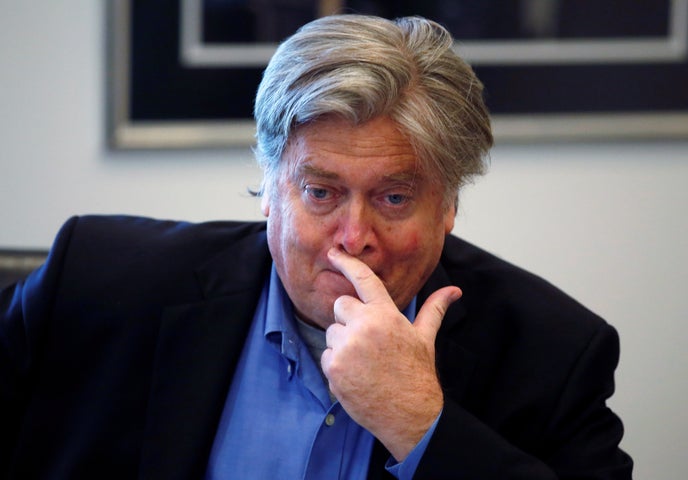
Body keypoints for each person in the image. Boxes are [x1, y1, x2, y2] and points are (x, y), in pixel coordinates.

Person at [0, 14, 632, 480]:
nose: (354, 238)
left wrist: (423, 426)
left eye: (393, 198)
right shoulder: (98, 279)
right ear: (271, 191)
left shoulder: (553, 353)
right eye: (322, 192)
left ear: (448, 209)